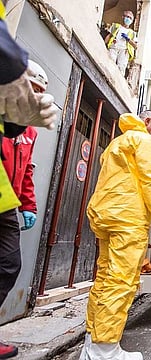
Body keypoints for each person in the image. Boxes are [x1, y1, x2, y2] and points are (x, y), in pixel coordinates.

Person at [80, 111, 151, 360]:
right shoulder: (145, 142)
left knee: (105, 277)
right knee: (121, 281)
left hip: (105, 214)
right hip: (128, 218)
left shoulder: (117, 143)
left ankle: (92, 340)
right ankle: (105, 350)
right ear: (147, 122)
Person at [0, 3, 57, 357]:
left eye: (37, 89)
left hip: (6, 202)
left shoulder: (27, 131)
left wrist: (29, 205)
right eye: (31, 86)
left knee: (8, 264)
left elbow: (27, 171)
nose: (34, 94)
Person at [104, 10, 137, 77]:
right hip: (114, 48)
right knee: (110, 62)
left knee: (121, 68)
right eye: (127, 17)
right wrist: (103, 45)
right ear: (123, 17)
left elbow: (135, 46)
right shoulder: (116, 26)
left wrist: (128, 39)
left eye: (130, 18)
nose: (128, 19)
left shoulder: (132, 33)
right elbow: (109, 36)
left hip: (124, 51)